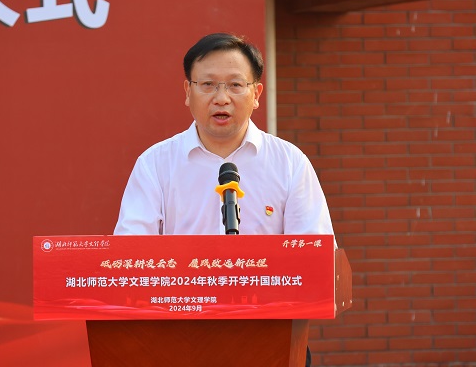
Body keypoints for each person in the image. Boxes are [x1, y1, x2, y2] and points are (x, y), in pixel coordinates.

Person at [114, 32, 336, 367]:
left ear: (256, 94)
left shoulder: (289, 163)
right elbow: (130, 256)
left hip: (271, 341)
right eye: (208, 85)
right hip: (180, 341)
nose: (221, 98)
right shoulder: (155, 164)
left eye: (235, 85)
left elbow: (317, 256)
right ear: (187, 92)